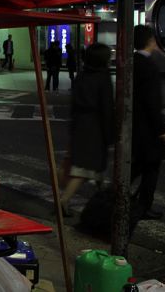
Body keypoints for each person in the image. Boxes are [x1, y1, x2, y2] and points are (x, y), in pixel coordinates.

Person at [59, 43, 114, 216]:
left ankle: (102, 199)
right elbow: (106, 107)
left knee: (93, 168)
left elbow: (74, 105)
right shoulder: (103, 78)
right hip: (95, 127)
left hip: (81, 124)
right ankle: (65, 200)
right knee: (85, 169)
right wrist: (110, 134)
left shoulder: (81, 76)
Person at [132, 25, 165, 220]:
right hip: (148, 129)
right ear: (150, 41)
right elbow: (152, 101)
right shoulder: (149, 66)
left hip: (135, 125)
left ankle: (119, 198)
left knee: (137, 166)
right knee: (150, 168)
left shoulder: (132, 63)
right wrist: (161, 129)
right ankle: (142, 205)